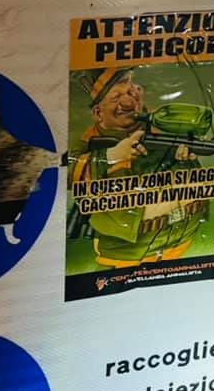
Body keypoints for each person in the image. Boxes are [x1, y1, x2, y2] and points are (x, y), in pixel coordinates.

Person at [69, 68, 206, 269]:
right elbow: (69, 171)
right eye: (116, 98)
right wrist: (112, 156)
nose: (128, 103)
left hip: (184, 238)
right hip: (127, 252)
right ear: (98, 113)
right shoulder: (88, 143)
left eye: (131, 92)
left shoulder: (163, 128)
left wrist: (185, 158)